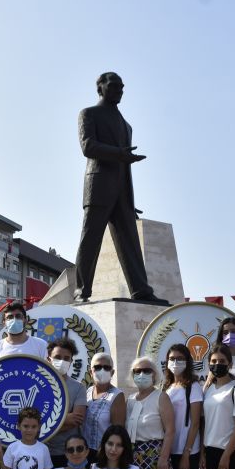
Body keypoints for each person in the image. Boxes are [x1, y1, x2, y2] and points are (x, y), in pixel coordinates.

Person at [72, 71, 163, 304]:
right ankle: (81, 290)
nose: (119, 90)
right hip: (98, 184)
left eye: (122, 87)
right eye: (113, 86)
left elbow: (125, 165)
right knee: (90, 238)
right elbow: (88, 146)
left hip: (122, 191)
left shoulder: (127, 125)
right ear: (100, 88)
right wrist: (119, 154)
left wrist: (129, 200)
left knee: (130, 240)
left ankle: (141, 290)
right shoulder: (88, 114)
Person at [44, 337, 88, 467]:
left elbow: (76, 420)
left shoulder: (79, 387)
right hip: (41, 452)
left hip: (68, 454)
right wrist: (65, 417)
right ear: (48, 359)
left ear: (71, 361)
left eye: (66, 358)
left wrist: (45, 425)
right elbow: (32, 420)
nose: (62, 361)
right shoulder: (37, 384)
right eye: (57, 357)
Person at [82, 352, 126, 455]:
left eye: (107, 367)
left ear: (112, 372)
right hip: (84, 452)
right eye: (97, 367)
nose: (102, 370)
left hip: (105, 453)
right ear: (90, 372)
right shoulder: (87, 392)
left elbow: (118, 431)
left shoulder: (117, 396)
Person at [0, 301, 48, 366]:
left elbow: (50, 373)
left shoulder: (41, 345)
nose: (14, 320)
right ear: (4, 323)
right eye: (9, 317)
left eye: (18, 316)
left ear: (25, 320)